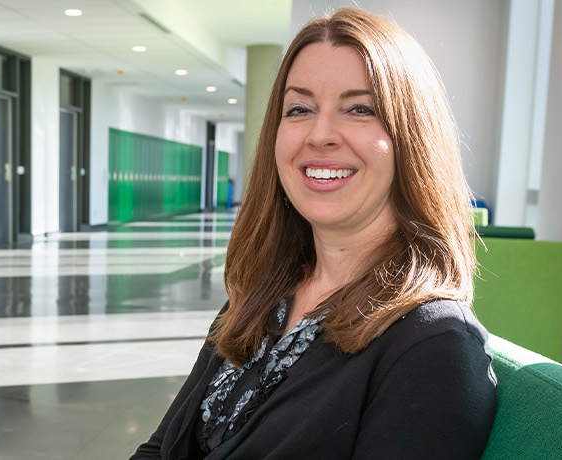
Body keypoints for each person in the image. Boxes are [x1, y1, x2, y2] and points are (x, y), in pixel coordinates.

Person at [130, 7, 496, 459]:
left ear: (412, 139)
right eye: (299, 109)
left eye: (359, 109)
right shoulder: (261, 297)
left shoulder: (434, 346)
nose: (320, 134)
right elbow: (160, 447)